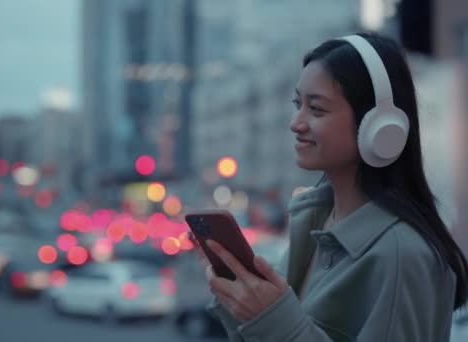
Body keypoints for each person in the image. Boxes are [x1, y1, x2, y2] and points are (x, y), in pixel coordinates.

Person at [194, 32, 468, 341]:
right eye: (298, 104)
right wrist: (240, 298)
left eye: (317, 109)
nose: (296, 123)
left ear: (379, 127)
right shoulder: (313, 225)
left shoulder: (402, 254)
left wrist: (272, 319)